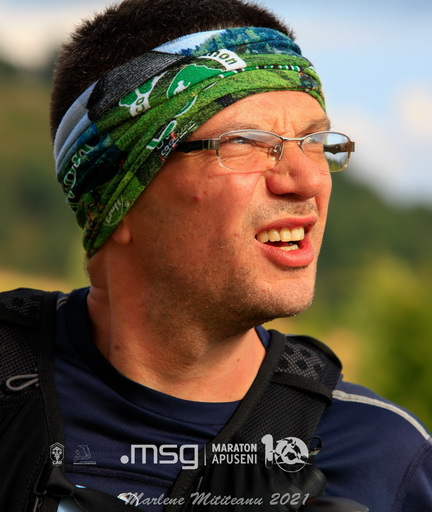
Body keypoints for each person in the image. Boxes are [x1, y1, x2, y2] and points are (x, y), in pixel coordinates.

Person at [0, 0, 431, 511]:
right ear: (118, 199)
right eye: (245, 141)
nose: (306, 180)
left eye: (315, 142)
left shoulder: (385, 459)